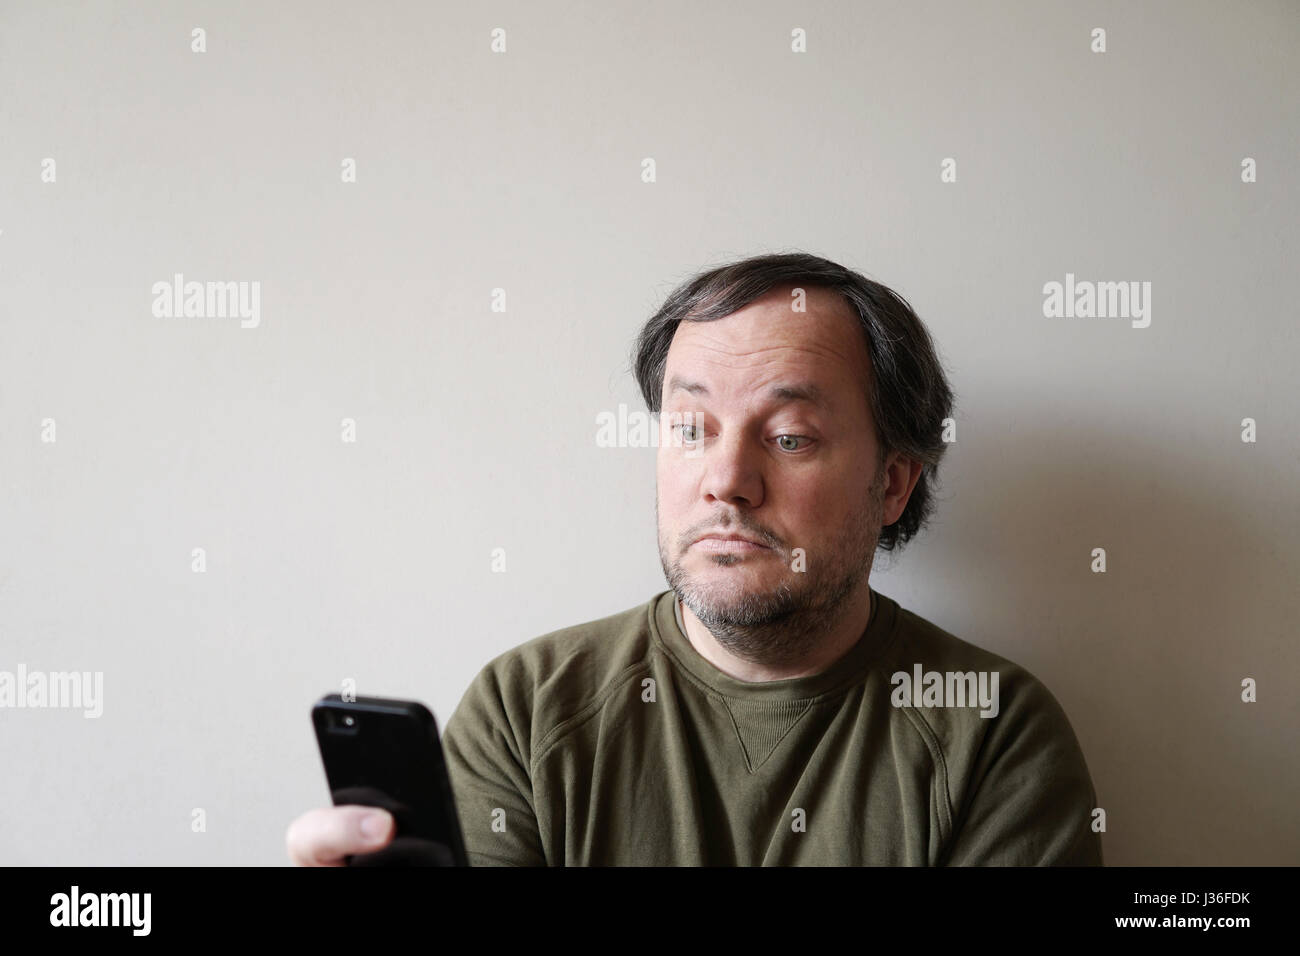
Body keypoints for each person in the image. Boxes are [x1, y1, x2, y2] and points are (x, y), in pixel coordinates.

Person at [286, 252, 1103, 866]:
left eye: (789, 437)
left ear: (891, 485)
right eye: (690, 429)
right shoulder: (526, 709)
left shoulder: (993, 732)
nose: (727, 482)